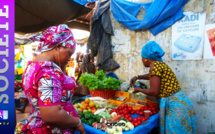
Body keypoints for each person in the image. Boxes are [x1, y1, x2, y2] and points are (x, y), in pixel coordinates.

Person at [21, 24, 85, 134]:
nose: (70, 58)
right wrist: (77, 122)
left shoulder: (33, 65)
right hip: (50, 130)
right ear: (58, 47)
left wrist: (62, 61)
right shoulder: (49, 70)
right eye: (69, 53)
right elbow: (51, 115)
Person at [130, 41, 196, 134]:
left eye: (142, 57)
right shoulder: (159, 64)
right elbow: (152, 75)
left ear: (146, 58)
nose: (141, 59)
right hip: (181, 102)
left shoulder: (155, 65)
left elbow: (154, 92)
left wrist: (138, 90)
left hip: (175, 107)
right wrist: (137, 77)